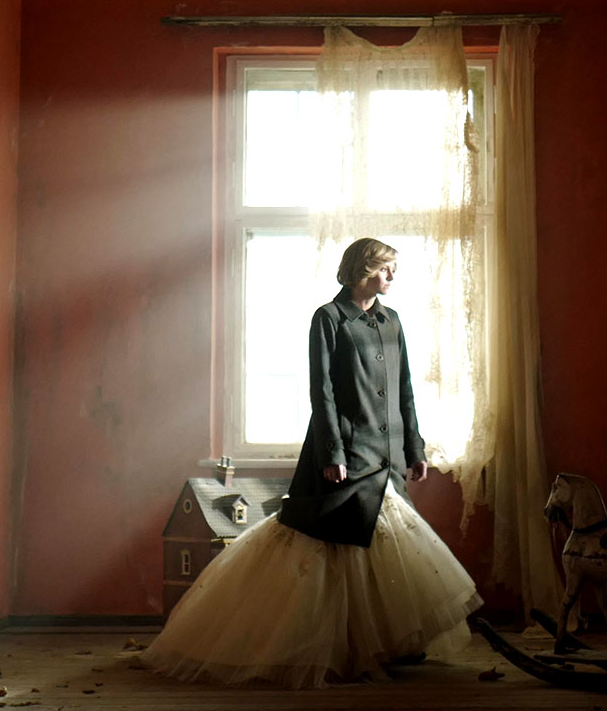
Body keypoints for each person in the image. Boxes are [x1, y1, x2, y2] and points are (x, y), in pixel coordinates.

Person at [137, 238, 483, 687]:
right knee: (334, 545)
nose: (392, 277)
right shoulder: (329, 318)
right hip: (347, 454)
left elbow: (405, 389)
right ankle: (339, 649)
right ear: (363, 269)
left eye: (393, 269)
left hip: (388, 455)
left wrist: (414, 448)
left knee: (383, 552)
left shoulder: (392, 320)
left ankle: (388, 644)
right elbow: (322, 392)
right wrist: (333, 453)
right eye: (385, 268)